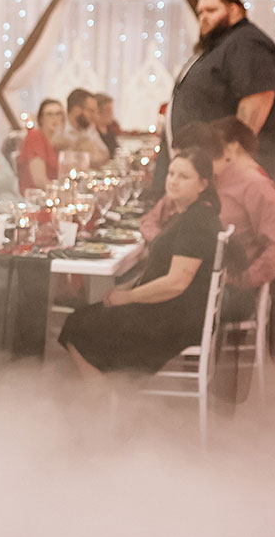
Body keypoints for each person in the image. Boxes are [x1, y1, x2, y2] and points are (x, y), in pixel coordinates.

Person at [59, 148, 223, 376]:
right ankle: (111, 387)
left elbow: (176, 283)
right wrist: (129, 286)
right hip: (176, 310)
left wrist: (129, 297)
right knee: (85, 318)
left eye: (184, 176)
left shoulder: (196, 222)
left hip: (175, 320)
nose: (173, 181)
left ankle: (104, 393)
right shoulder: (190, 214)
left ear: (202, 184)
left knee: (78, 325)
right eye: (171, 173)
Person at [139, 118, 275, 319]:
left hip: (224, 292)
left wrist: (245, 278)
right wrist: (164, 244)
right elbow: (150, 220)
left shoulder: (252, 185)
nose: (178, 170)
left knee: (130, 304)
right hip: (179, 280)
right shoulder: (191, 182)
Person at [170, 0, 275, 177]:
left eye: (211, 11)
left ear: (234, 11)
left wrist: (227, 164)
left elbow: (253, 108)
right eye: (200, 13)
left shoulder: (248, 43)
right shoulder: (221, 45)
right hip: (204, 171)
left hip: (230, 174)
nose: (203, 18)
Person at [16, 98, 66, 191]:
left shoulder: (58, 141)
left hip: (50, 193)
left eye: (58, 114)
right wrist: (62, 192)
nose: (55, 118)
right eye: (49, 114)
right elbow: (39, 181)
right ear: (41, 118)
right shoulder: (35, 137)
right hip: (34, 195)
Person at [59, 88, 112, 168]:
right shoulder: (59, 127)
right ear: (76, 110)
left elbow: (105, 154)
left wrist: (86, 156)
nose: (95, 116)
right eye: (91, 111)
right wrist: (87, 154)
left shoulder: (89, 127)